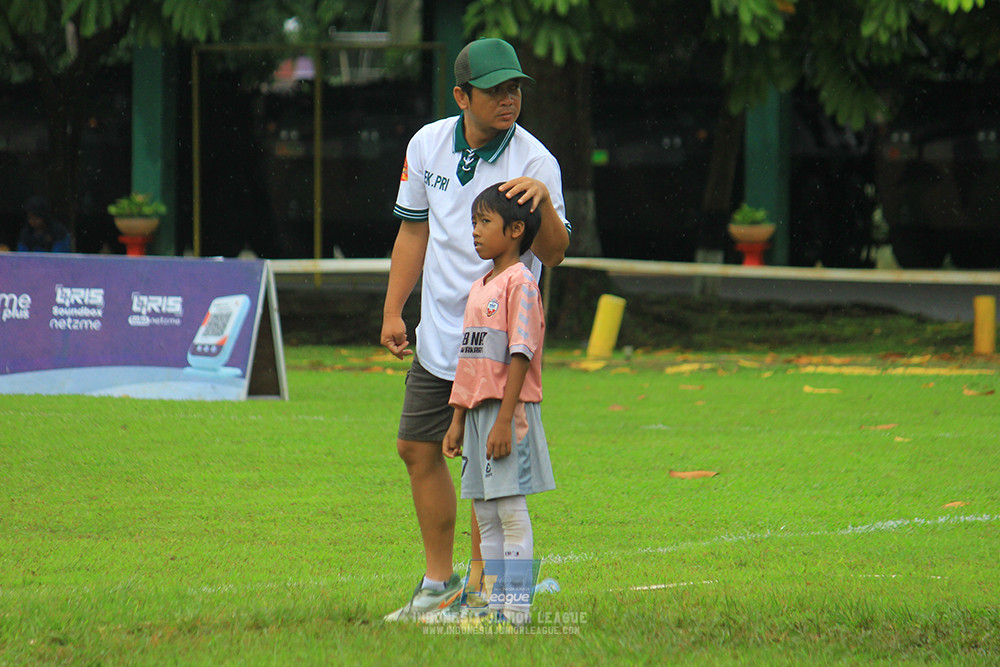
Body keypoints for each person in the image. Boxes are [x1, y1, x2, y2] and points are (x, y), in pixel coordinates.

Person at [381, 38, 570, 621]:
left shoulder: (535, 163)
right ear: (462, 95)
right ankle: (440, 583)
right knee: (417, 448)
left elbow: (557, 255)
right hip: (439, 335)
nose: (509, 99)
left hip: (496, 348)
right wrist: (394, 310)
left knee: (486, 474)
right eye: (495, 91)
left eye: (515, 88)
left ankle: (487, 591)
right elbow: (414, 232)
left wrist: (544, 212)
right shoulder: (427, 144)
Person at [442, 184, 555, 625]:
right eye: (473, 222)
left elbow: (521, 353)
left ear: (515, 230)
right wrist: (457, 419)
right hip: (474, 416)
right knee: (485, 513)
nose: (475, 231)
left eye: (484, 222)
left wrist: (505, 420)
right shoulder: (478, 288)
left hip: (507, 413)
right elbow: (467, 363)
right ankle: (494, 604)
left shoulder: (521, 284)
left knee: (509, 508)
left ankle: (517, 608)